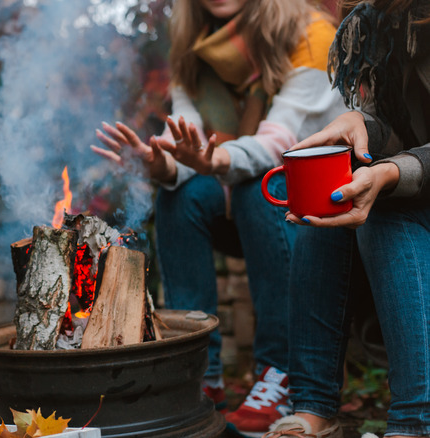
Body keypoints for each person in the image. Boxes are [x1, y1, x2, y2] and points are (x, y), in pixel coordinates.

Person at [92, 0, 348, 435]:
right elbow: (189, 144)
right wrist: (162, 165)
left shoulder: (311, 35)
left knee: (257, 185)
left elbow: (278, 145)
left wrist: (210, 161)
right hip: (241, 192)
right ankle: (198, 373)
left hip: (312, 200)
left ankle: (279, 372)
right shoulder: (192, 50)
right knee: (179, 195)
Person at [264, 0, 430, 437]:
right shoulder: (378, 20)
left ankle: (416, 421)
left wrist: (392, 171)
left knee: (384, 209)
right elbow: (401, 124)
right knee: (329, 203)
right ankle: (314, 409)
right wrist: (362, 122)